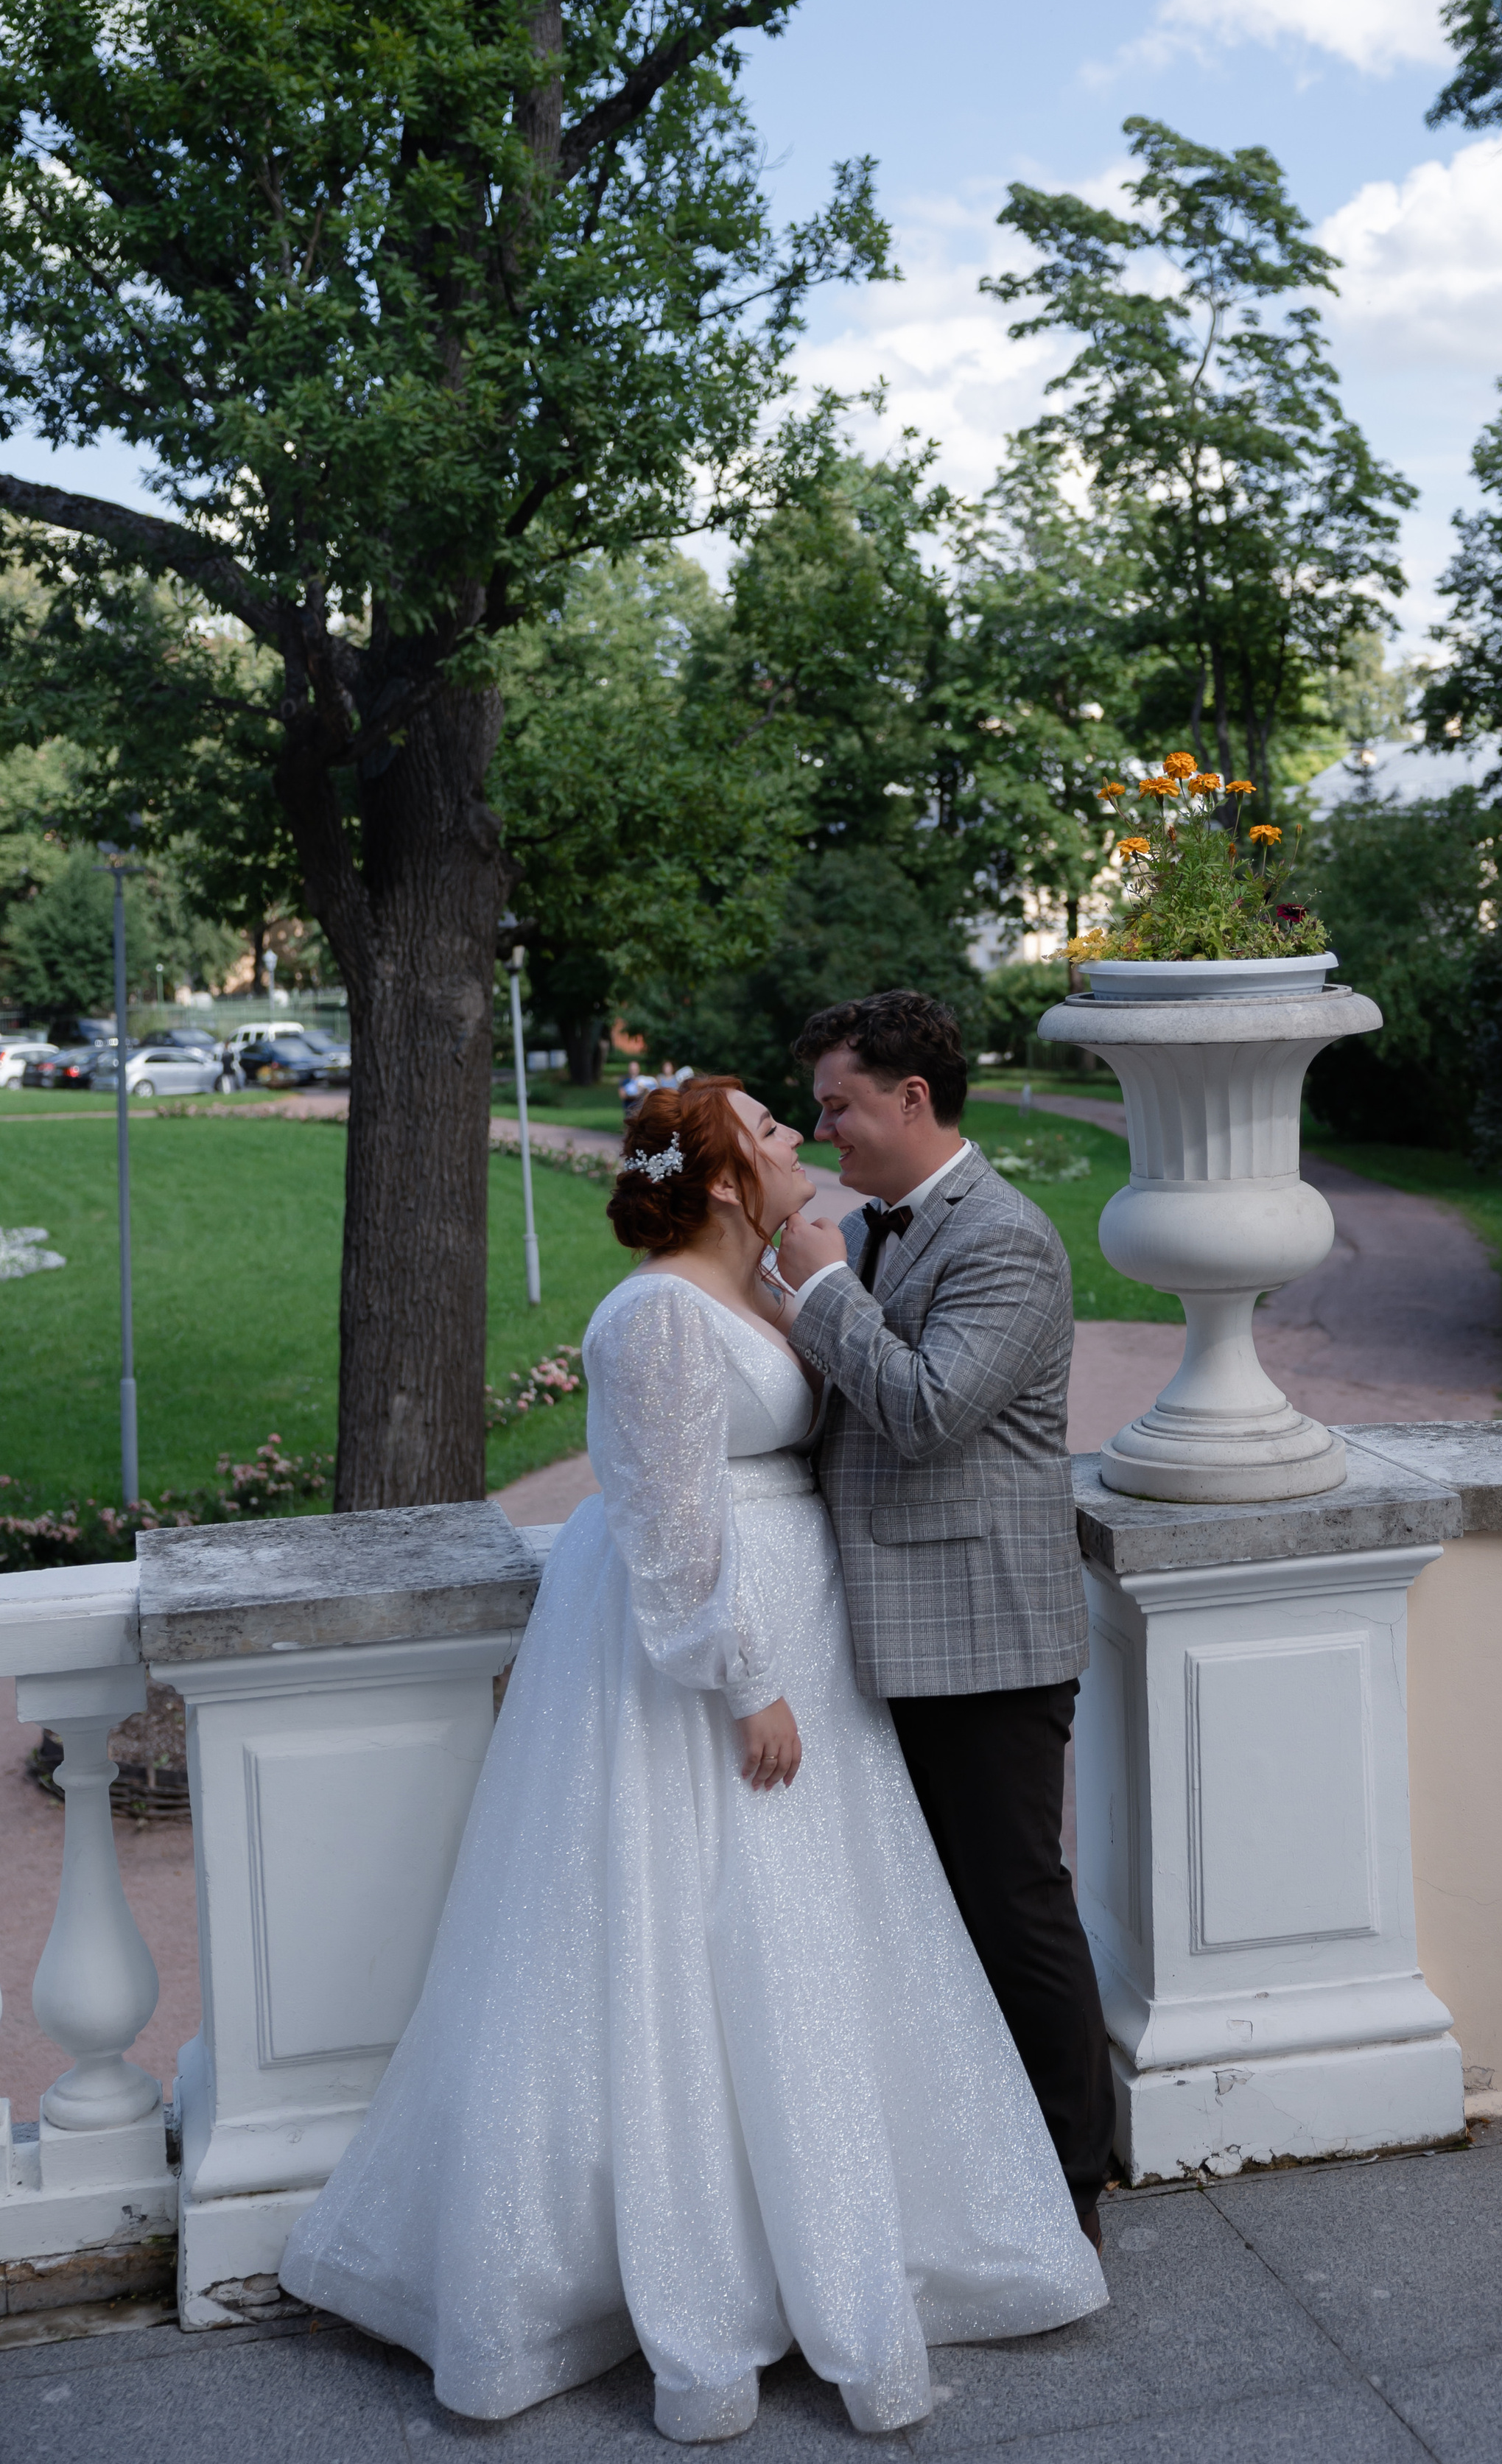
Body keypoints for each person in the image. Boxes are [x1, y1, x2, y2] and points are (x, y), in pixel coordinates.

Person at [280, 1074, 1103, 2441]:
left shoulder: (762, 1289)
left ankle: (816, 2238)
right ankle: (702, 2282)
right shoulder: (657, 1313)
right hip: (711, 1669)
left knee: (803, 1946)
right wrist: (745, 1682)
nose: (798, 1141)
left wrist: (815, 1292)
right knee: (685, 1943)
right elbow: (663, 1523)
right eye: (774, 1131)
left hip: (808, 1638)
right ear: (723, 1180)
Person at [773, 991, 1116, 2252]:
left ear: (913, 1099)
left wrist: (816, 1294)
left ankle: (1078, 2187)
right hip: (880, 1627)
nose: (825, 1130)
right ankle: (979, 2161)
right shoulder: (875, 1229)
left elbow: (924, 1412)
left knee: (1013, 1908)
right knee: (928, 1913)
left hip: (985, 1634)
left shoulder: (1006, 1239)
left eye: (839, 1104)